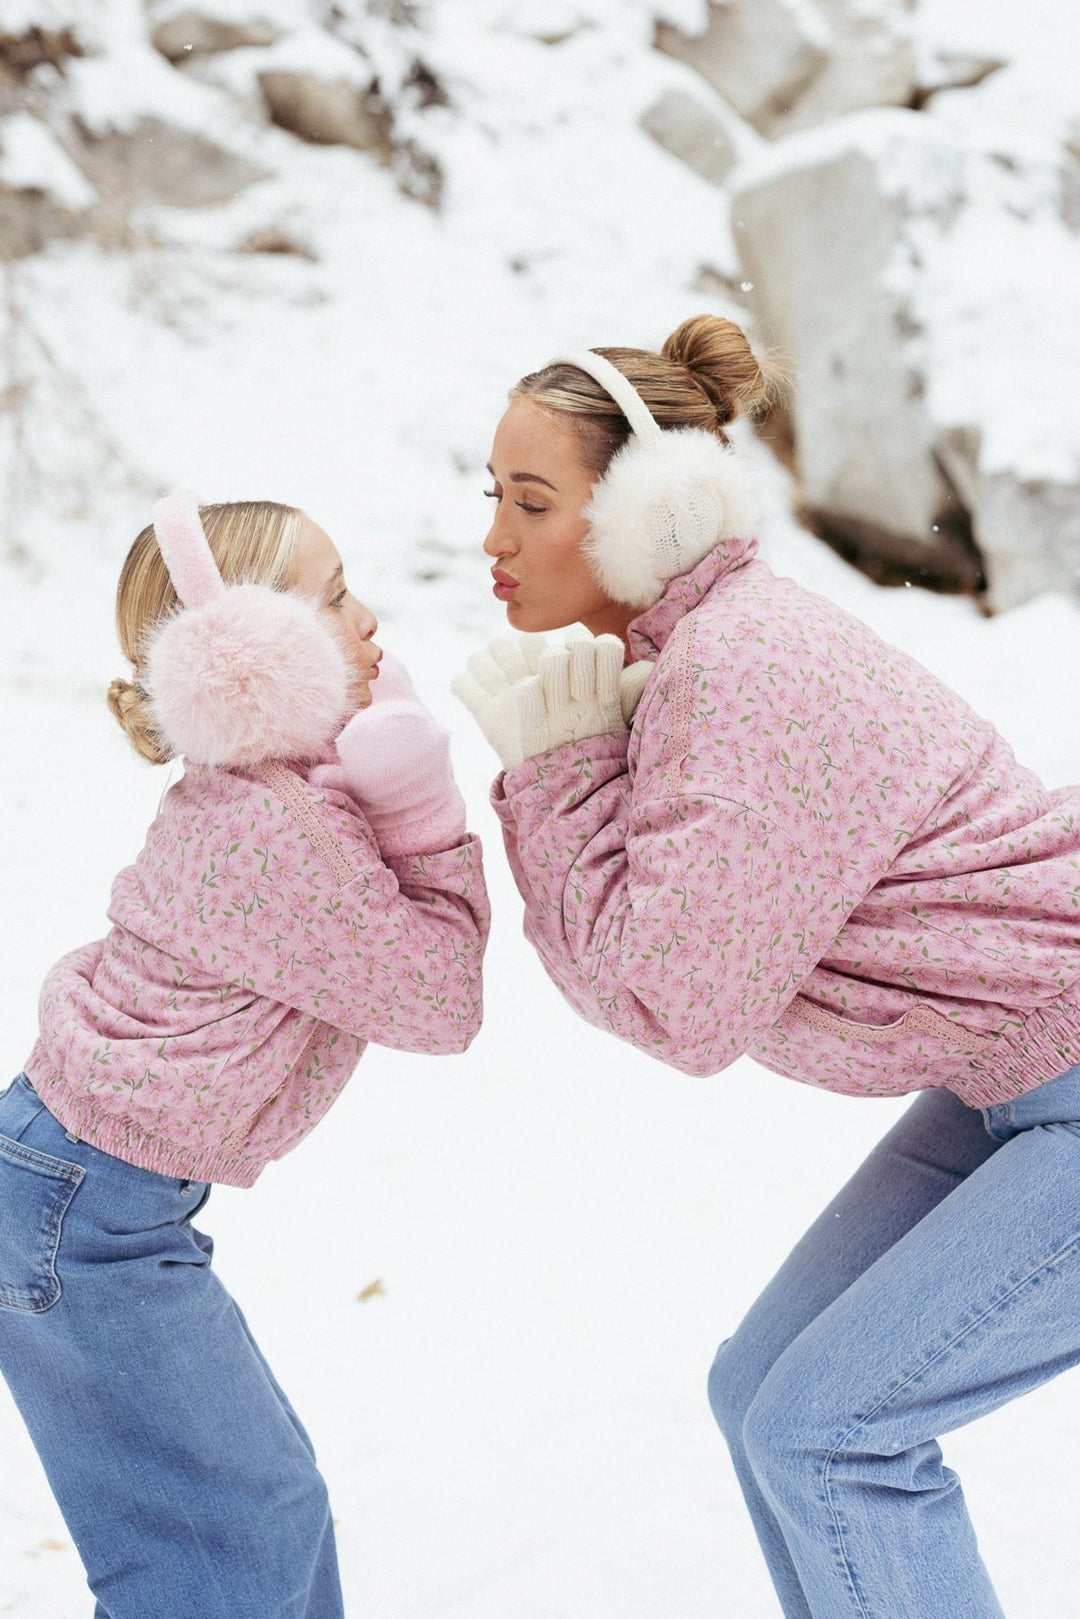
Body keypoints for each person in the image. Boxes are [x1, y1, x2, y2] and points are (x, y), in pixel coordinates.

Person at [453, 314, 1080, 1618]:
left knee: (830, 1432)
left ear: (642, 513)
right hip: (1016, 1076)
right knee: (765, 1390)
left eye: (532, 500)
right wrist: (572, 769)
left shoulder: (746, 668)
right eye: (491, 497)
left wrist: (558, 773)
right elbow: (642, 968)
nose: (493, 542)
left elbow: (676, 1003)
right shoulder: (689, 660)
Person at [0, 494, 489, 1618]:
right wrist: (422, 806)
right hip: (81, 1208)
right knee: (232, 1547)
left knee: (250, 1523)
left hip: (76, 1192)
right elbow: (439, 996)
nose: (369, 619)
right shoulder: (275, 829)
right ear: (247, 654)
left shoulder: (278, 798)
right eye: (330, 596)